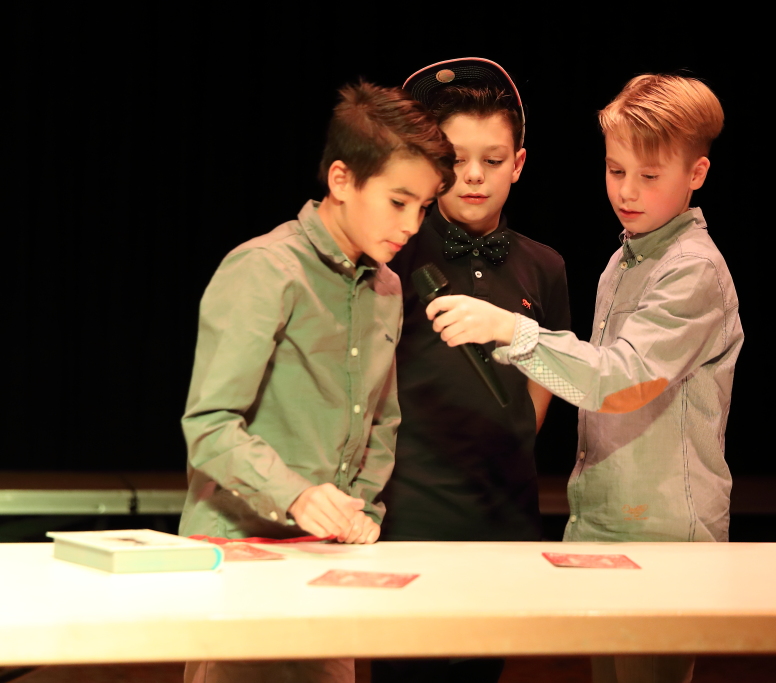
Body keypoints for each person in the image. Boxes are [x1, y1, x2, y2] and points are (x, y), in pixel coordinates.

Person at [426, 73, 742, 683]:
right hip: (604, 517)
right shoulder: (624, 259)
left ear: (696, 173)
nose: (627, 190)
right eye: (615, 169)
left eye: (649, 176)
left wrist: (508, 329)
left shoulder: (694, 270)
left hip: (663, 530)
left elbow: (620, 381)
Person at [178, 81, 455, 683]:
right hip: (241, 553)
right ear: (341, 180)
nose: (412, 225)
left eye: (424, 207)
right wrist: (297, 495)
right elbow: (210, 426)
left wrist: (363, 507)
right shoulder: (265, 270)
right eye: (398, 201)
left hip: (327, 557)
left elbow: (381, 418)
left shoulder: (386, 287)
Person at [372, 58, 571, 683]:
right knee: (405, 670)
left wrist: (511, 435)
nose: (475, 175)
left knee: (482, 668)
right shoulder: (397, 251)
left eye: (493, 159)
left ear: (519, 163)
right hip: (409, 509)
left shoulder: (545, 266)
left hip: (504, 509)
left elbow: (549, 370)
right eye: (457, 160)